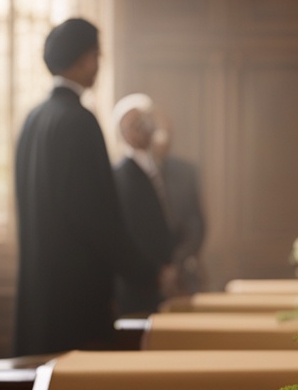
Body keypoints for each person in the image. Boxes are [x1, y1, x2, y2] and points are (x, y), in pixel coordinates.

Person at [13, 19, 157, 355]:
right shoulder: (79, 120)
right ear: (85, 59)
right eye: (97, 55)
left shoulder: (34, 119)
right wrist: (144, 272)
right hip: (76, 297)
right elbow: (98, 216)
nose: (98, 64)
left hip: (39, 291)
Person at [111, 94, 177, 314]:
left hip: (167, 275)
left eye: (145, 122)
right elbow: (129, 231)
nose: (142, 128)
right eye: (134, 124)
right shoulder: (119, 175)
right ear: (121, 131)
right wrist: (155, 272)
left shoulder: (162, 168)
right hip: (140, 280)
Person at [151, 112, 206, 295]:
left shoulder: (186, 172)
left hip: (182, 272)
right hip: (148, 273)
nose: (163, 138)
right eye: (158, 131)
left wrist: (176, 264)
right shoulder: (126, 174)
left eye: (167, 132)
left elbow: (196, 225)